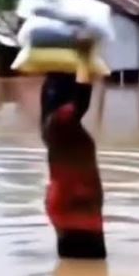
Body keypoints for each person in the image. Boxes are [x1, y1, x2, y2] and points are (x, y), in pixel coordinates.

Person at [40, 72, 106, 259]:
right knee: (92, 274)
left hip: (71, 205)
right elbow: (81, 102)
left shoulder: (54, 126)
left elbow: (80, 103)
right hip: (77, 207)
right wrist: (85, 65)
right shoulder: (62, 122)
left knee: (77, 270)